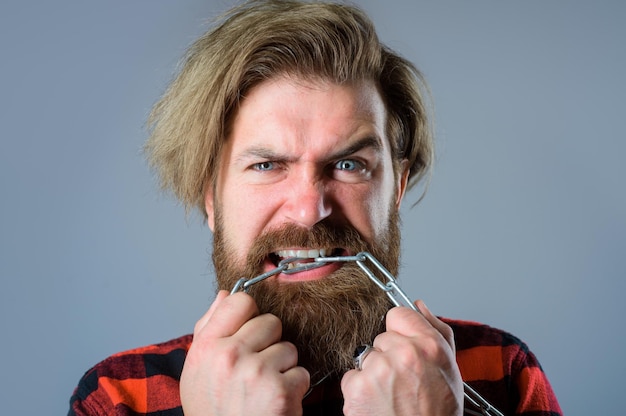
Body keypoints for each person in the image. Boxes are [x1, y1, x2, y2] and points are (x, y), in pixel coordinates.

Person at [69, 1, 562, 415]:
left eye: (349, 164)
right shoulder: (119, 397)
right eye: (266, 166)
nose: (309, 211)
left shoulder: (501, 371)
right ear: (210, 198)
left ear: (396, 187)